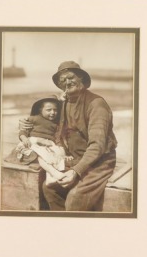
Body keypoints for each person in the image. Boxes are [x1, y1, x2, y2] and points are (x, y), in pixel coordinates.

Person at [41, 61, 118, 211]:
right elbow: (53, 128)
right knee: (49, 188)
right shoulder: (64, 104)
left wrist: (75, 171)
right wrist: (27, 125)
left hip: (99, 163)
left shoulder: (96, 104)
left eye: (71, 77)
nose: (67, 82)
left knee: (74, 200)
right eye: (63, 80)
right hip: (75, 159)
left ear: (81, 79)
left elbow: (98, 145)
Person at [16, 96, 69, 186]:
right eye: (49, 110)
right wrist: (24, 138)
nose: (52, 112)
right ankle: (54, 173)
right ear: (41, 110)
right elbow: (23, 130)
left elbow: (57, 138)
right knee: (41, 156)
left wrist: (64, 152)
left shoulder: (56, 124)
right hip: (32, 144)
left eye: (55, 110)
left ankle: (50, 178)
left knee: (56, 154)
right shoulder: (34, 118)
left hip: (46, 146)